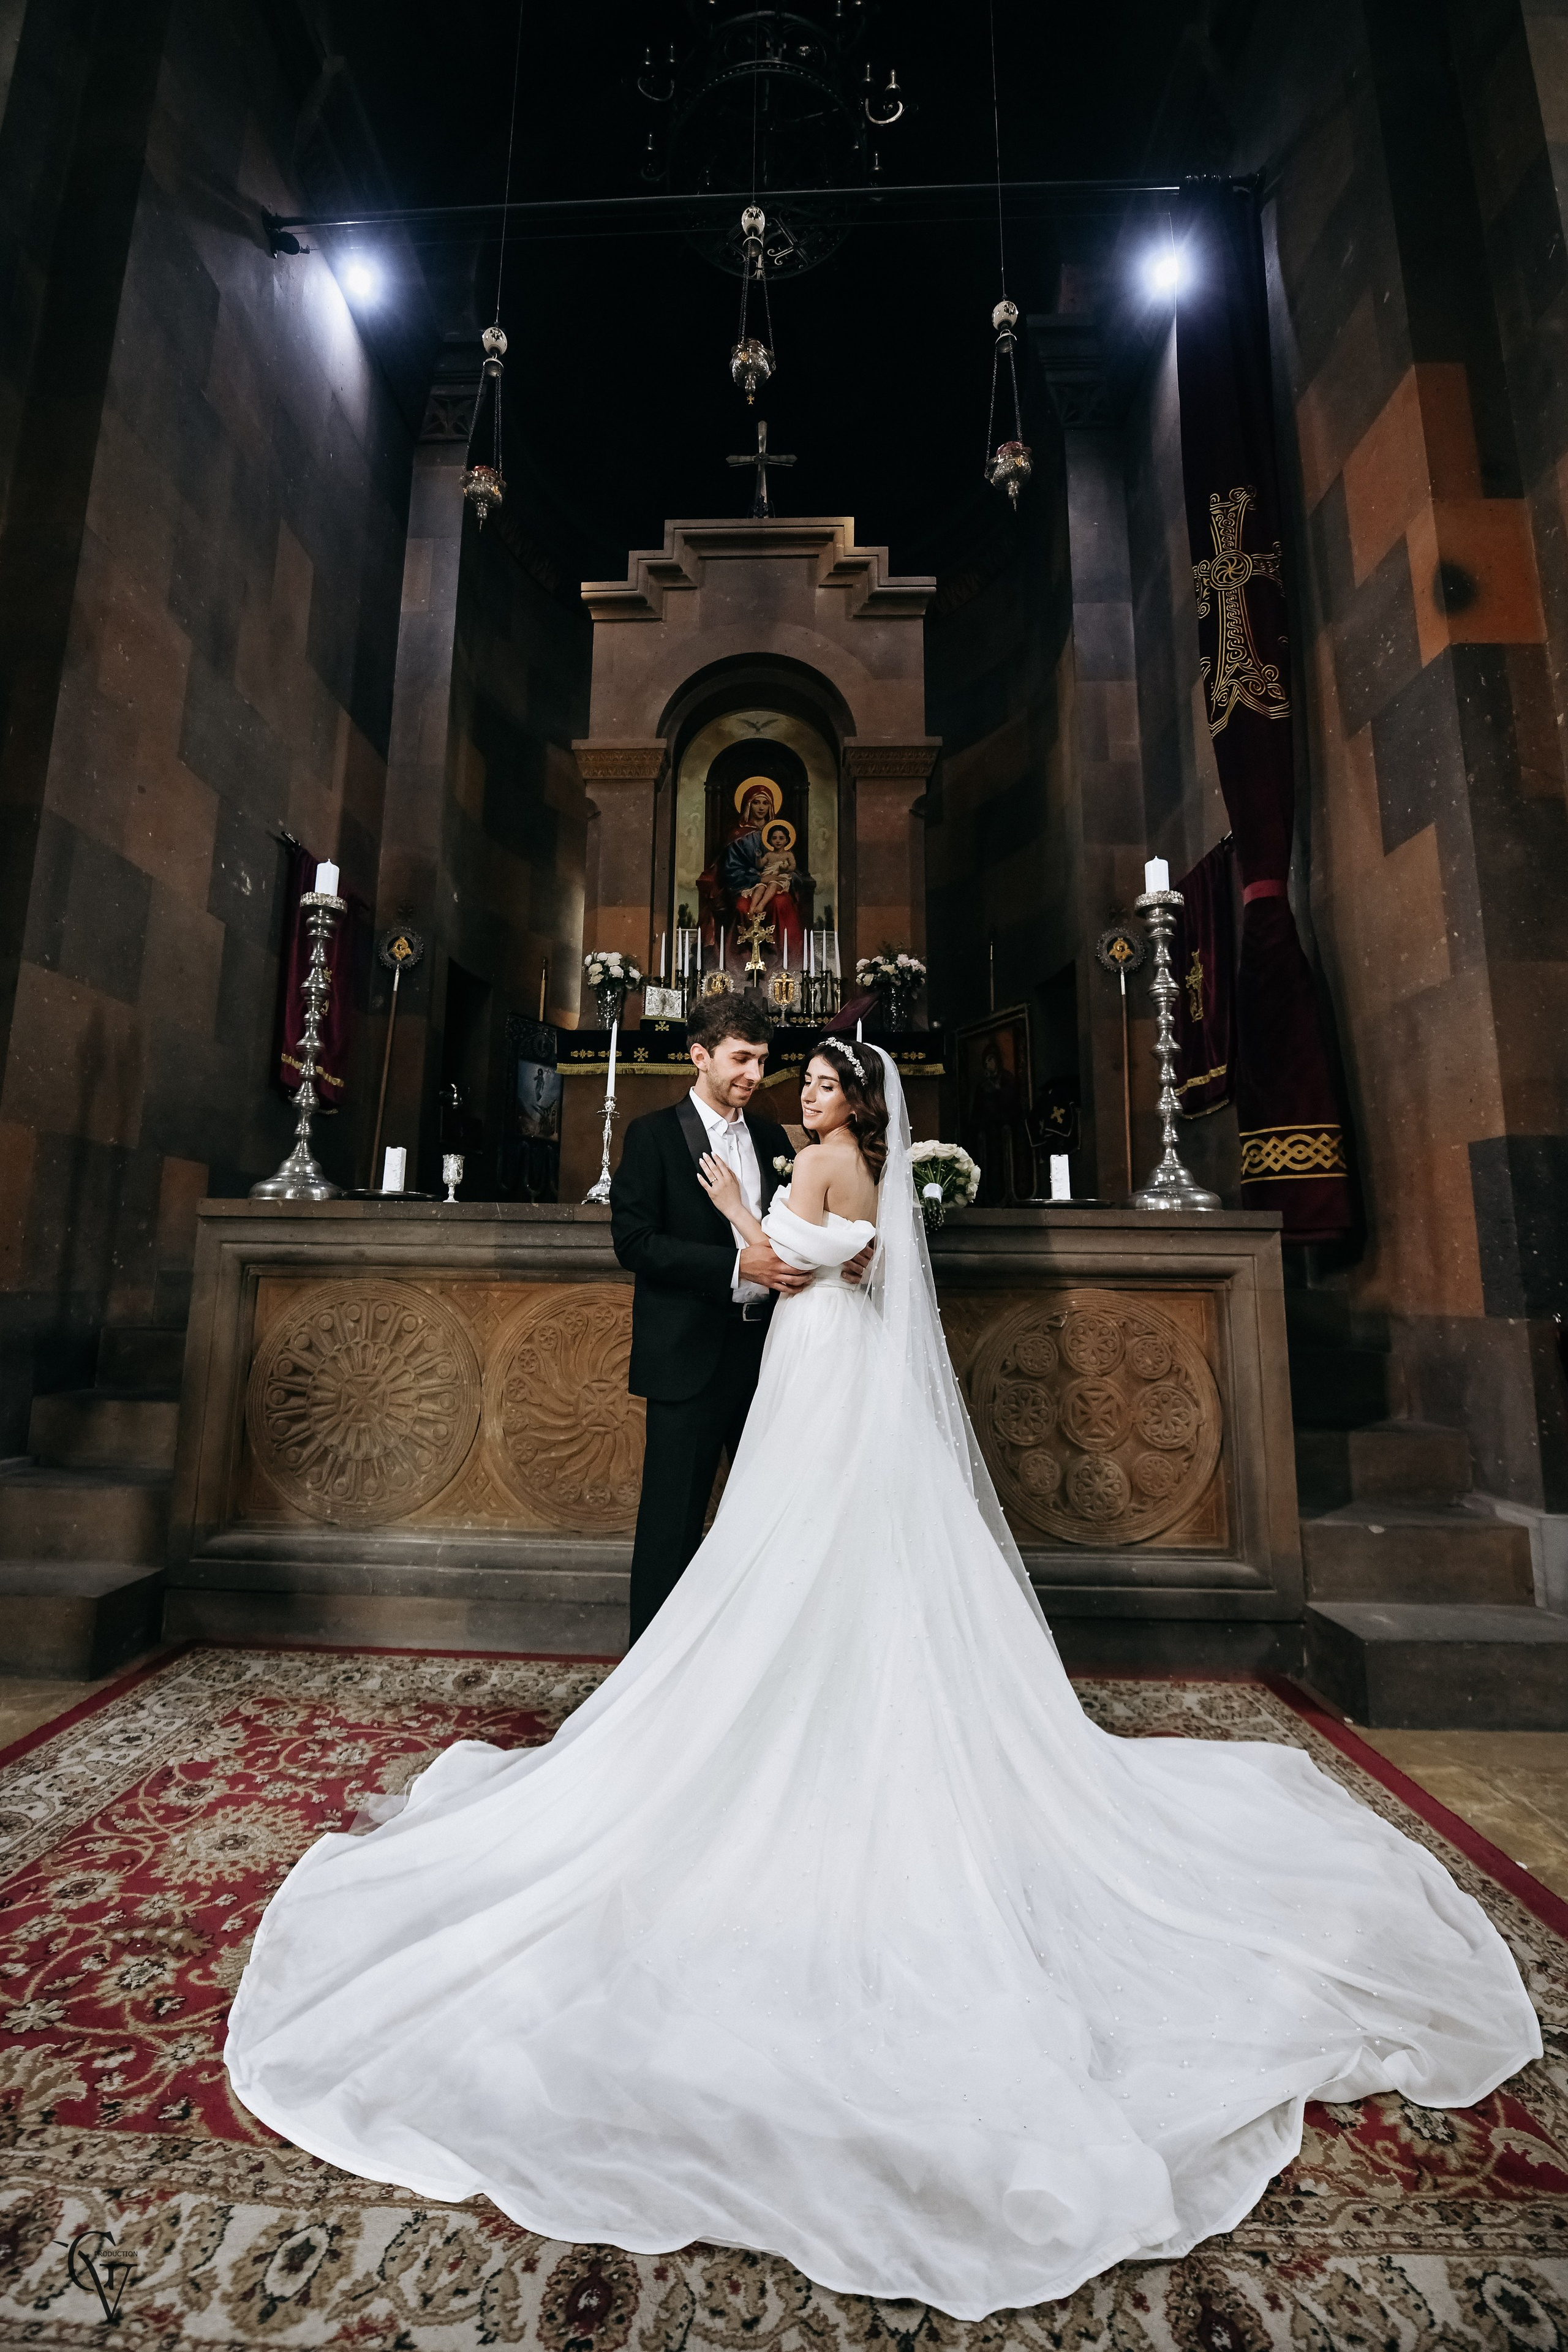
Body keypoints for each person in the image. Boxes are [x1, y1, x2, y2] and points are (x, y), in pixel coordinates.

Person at [224, 1041, 1540, 2321]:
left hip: (819, 1371)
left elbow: (782, 1262)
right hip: (829, 1367)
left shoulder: (825, 1164)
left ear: (855, 1101)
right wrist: (770, 1231)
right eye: (793, 1079)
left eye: (818, 1082)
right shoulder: (860, 1167)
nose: (802, 1094)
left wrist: (737, 1210)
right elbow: (832, 1267)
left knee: (800, 1553)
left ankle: (776, 1724)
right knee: (821, 1556)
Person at [608, 990, 864, 1641]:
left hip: (774, 1356)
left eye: (763, 1060)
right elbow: (635, 1244)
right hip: (686, 1357)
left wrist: (851, 1251)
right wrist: (734, 1267)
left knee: (773, 1522)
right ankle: (652, 1674)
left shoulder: (775, 1137)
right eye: (742, 1059)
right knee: (671, 1526)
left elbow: (807, 1228)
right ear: (700, 1056)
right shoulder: (652, 1135)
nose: (755, 1074)